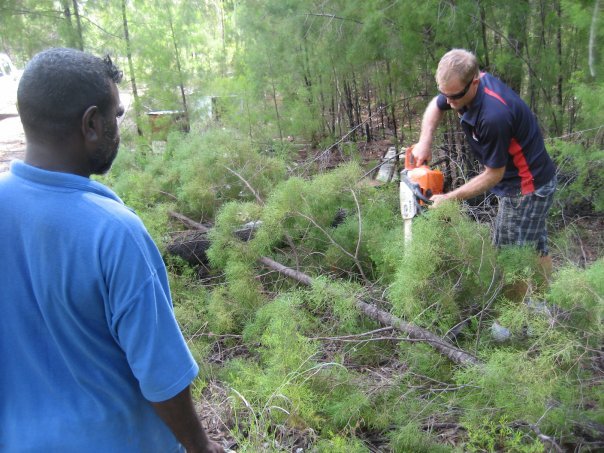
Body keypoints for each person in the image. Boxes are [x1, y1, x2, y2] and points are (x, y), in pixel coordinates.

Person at [0, 48, 223, 453]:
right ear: (90, 124)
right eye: (116, 116)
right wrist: (200, 447)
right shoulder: (114, 232)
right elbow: (161, 375)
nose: (120, 128)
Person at [413, 48, 557, 272]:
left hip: (526, 189)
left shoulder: (493, 116)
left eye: (455, 96)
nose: (449, 102)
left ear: (475, 82)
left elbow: (494, 174)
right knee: (536, 248)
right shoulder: (458, 89)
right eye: (445, 94)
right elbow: (436, 104)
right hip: (530, 180)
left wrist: (450, 198)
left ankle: (515, 307)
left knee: (509, 261)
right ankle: (549, 298)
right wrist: (425, 141)